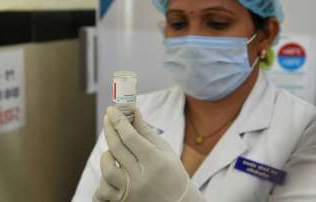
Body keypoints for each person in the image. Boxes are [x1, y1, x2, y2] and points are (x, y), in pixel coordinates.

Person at [72, 0, 316, 201]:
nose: (191, 40)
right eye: (178, 23)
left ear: (265, 34)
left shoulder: (304, 128)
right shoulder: (134, 114)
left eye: (216, 23)